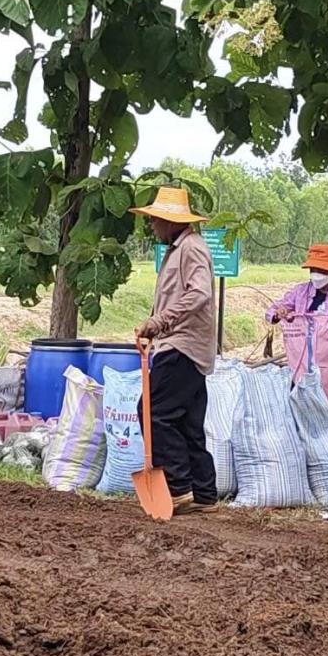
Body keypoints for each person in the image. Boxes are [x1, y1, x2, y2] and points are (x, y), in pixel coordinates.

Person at [131, 186, 218, 515]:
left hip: (182, 345)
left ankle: (179, 487)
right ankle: (204, 494)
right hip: (188, 347)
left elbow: (199, 295)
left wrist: (160, 322)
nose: (152, 226)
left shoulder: (191, 249)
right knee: (187, 423)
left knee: (153, 411)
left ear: (171, 221)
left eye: (155, 220)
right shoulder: (178, 249)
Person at [266, 243, 328, 413]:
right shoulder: (299, 293)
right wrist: (279, 313)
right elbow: (272, 311)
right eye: (313, 270)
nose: (316, 275)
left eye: (321, 271)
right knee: (299, 410)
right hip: (302, 364)